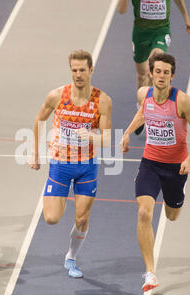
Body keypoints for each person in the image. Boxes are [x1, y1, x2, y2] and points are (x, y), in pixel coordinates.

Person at [121, 53, 190, 292]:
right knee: (144, 214)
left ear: (172, 76)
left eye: (166, 73)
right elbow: (143, 113)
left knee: (172, 215)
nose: (161, 76)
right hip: (150, 164)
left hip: (175, 169)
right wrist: (128, 132)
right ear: (150, 73)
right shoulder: (143, 94)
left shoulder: (182, 101)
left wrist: (189, 159)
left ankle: (178, 197)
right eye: (157, 71)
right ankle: (150, 273)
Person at [28, 49, 112, 278]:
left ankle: (71, 257)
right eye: (74, 70)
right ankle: (60, 195)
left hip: (86, 166)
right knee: (52, 218)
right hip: (60, 164)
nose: (78, 74)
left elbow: (106, 137)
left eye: (82, 70)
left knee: (82, 218)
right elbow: (39, 120)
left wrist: (92, 137)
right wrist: (34, 152)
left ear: (91, 70)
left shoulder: (102, 101)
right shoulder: (56, 96)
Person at [117, 0, 190, 135]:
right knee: (142, 74)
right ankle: (140, 107)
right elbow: (121, 10)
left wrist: (187, 18)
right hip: (140, 34)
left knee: (154, 66)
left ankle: (151, 111)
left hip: (161, 31)